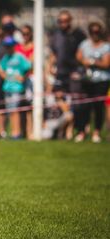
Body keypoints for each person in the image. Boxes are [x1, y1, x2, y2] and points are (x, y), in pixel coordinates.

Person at [49, 10, 86, 140]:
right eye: (60, 21)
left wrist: (80, 70)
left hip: (74, 73)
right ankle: (68, 116)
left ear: (70, 21)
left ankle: (72, 131)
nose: (62, 23)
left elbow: (83, 54)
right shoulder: (56, 35)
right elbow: (53, 53)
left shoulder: (78, 35)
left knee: (76, 103)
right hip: (60, 73)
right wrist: (50, 67)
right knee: (57, 95)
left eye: (65, 21)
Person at [75, 21, 110, 143]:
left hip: (101, 81)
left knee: (98, 107)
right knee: (84, 107)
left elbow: (107, 63)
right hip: (87, 80)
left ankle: (97, 132)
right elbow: (78, 57)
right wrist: (84, 62)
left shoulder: (106, 47)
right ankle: (82, 131)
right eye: (92, 32)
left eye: (97, 32)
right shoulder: (84, 45)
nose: (95, 34)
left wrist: (93, 62)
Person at [0, 36, 32, 139]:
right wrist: (4, 76)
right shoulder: (6, 58)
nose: (8, 48)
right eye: (6, 46)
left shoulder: (19, 57)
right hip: (7, 88)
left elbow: (29, 67)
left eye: (10, 46)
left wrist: (23, 77)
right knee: (10, 111)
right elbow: (0, 68)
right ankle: (13, 132)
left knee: (15, 110)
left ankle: (17, 133)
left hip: (17, 88)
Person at [15, 24, 34, 139]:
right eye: (23, 33)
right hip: (19, 80)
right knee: (19, 107)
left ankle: (30, 131)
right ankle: (20, 132)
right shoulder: (17, 48)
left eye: (27, 33)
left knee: (30, 107)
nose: (25, 36)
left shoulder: (35, 46)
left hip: (31, 79)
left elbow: (30, 64)